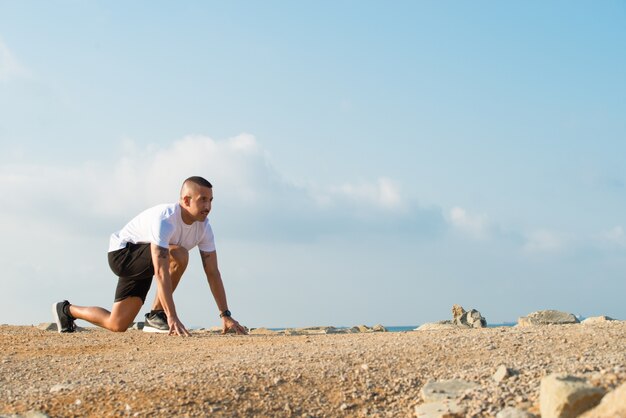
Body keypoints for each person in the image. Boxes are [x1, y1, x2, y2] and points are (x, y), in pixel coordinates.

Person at [52, 176, 247, 336]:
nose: (208, 206)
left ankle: (66, 310)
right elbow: (161, 271)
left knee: (117, 323)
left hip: (145, 259)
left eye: (211, 200)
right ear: (186, 200)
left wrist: (225, 314)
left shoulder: (204, 228)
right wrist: (171, 315)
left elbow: (213, 272)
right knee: (179, 254)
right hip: (123, 254)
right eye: (202, 199)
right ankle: (157, 315)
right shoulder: (166, 219)